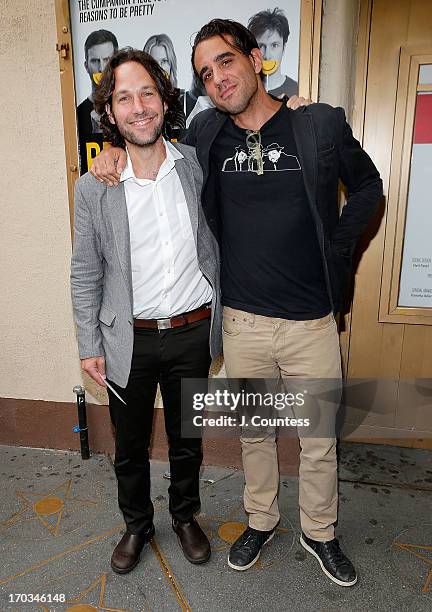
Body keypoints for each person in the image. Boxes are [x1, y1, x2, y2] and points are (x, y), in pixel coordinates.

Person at [88, 19, 381, 587]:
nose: (218, 78)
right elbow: (150, 151)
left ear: (254, 58)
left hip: (310, 321)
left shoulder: (316, 123)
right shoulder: (207, 137)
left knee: (319, 438)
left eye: (226, 61)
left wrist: (339, 251)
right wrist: (109, 156)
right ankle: (261, 519)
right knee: (255, 434)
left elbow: (367, 186)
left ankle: (320, 532)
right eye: (205, 72)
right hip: (242, 322)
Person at [70, 48, 222, 574]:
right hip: (126, 340)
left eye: (148, 93)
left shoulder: (196, 165)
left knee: (188, 441)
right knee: (129, 448)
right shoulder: (95, 185)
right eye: (124, 97)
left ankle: (184, 516)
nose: (138, 107)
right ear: (109, 112)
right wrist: (89, 343)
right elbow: (86, 271)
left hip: (191, 332)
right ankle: (136, 524)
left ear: (165, 99)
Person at [248, 7, 298, 97]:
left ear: (284, 47)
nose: (267, 55)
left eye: (274, 45)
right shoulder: (246, 91)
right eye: (261, 46)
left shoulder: (296, 89)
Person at [76, 29, 118, 135]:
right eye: (95, 61)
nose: (101, 68)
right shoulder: (78, 113)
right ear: (86, 67)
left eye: (107, 59)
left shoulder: (129, 106)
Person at [143, 34, 186, 137]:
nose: (159, 68)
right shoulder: (136, 102)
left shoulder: (184, 99)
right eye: (153, 62)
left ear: (171, 65)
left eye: (164, 61)